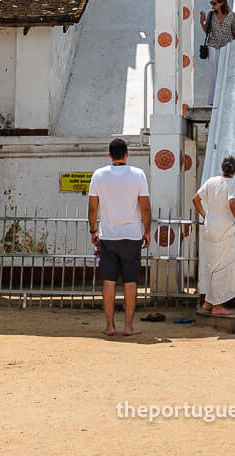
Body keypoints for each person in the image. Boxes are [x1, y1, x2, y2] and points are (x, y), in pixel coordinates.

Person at [87, 137, 151, 336]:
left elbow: (92, 208)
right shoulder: (138, 175)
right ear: (127, 154)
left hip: (108, 237)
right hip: (131, 237)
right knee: (131, 282)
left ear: (109, 155)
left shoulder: (98, 175)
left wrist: (93, 231)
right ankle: (129, 326)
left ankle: (110, 326)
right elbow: (145, 208)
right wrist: (147, 231)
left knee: (108, 281)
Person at [193, 155, 235, 316]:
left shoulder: (211, 181)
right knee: (223, 265)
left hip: (210, 225)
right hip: (224, 226)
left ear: (222, 168)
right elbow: (232, 202)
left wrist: (205, 215)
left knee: (211, 264)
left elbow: (195, 199)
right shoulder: (234, 184)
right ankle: (218, 306)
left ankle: (208, 302)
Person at [198, 0, 235, 107]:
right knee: (213, 72)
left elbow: (233, 32)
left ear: (222, 3)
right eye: (212, 3)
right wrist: (202, 21)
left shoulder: (231, 15)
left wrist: (234, 46)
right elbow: (207, 32)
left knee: (224, 71)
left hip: (226, 46)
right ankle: (213, 99)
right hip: (213, 45)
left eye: (214, 3)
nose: (212, 5)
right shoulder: (211, 15)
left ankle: (223, 96)